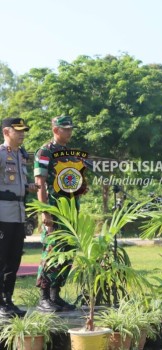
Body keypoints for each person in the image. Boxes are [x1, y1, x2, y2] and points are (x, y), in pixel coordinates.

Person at [34, 115, 86, 312]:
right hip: (55, 210)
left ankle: (56, 296)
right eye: (66, 129)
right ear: (56, 130)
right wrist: (45, 212)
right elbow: (40, 184)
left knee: (67, 253)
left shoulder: (69, 153)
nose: (70, 132)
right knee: (52, 251)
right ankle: (44, 297)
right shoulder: (45, 151)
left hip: (71, 211)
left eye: (71, 128)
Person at [0, 118, 38, 317]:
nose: (23, 134)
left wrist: (28, 187)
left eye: (24, 131)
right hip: (2, 215)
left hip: (18, 214)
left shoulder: (21, 155)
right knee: (1, 260)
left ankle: (8, 301)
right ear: (7, 132)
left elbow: (17, 184)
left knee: (13, 261)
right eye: (19, 131)